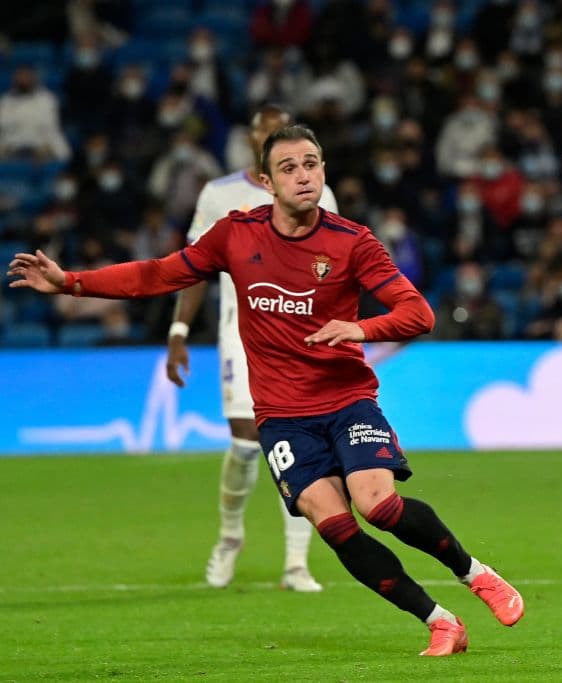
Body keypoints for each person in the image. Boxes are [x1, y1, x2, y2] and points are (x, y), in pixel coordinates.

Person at [8, 124, 524, 657]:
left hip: (347, 398)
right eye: (289, 168)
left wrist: (360, 328)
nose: (303, 176)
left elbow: (419, 313)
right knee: (336, 527)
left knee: (377, 506)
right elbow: (159, 275)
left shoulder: (353, 241)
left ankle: (475, 574)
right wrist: (70, 281)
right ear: (265, 181)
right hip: (282, 415)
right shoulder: (236, 234)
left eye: (312, 164)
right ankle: (441, 622)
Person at [166, 105, 338, 593]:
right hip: (241, 331)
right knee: (246, 441)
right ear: (253, 139)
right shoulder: (220, 194)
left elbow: (336, 261)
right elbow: (193, 267)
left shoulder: (319, 191)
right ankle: (229, 538)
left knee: (307, 441)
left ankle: (297, 563)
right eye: (267, 132)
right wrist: (179, 332)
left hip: (304, 333)